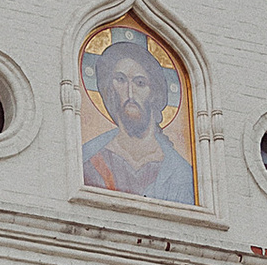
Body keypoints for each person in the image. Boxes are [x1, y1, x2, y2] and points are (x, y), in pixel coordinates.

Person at [81, 31, 193, 202]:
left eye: (140, 83)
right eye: (121, 80)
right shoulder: (90, 158)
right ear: (110, 89)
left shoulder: (179, 171)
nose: (130, 93)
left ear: (153, 93)